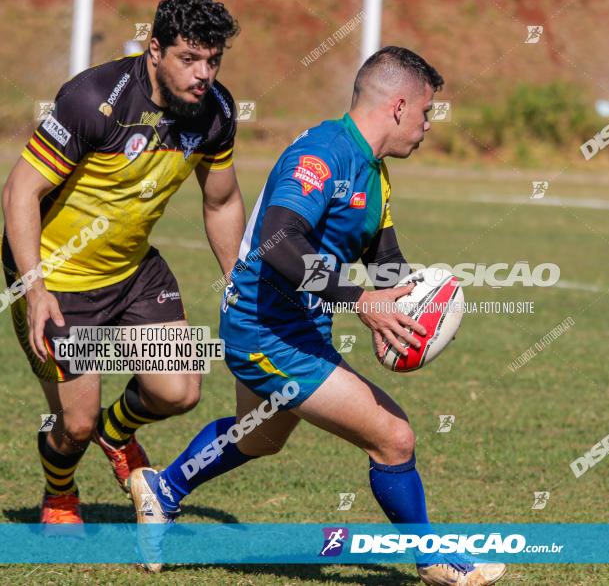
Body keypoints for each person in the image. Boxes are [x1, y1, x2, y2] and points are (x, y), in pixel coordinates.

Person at [130, 46, 507, 585]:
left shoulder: (374, 176)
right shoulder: (324, 155)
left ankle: (162, 490)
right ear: (398, 106)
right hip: (265, 329)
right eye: (425, 113)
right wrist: (359, 302)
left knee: (260, 435)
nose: (427, 127)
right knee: (394, 436)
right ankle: (435, 560)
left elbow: (385, 264)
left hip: (295, 328)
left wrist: (419, 300)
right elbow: (277, 243)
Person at [0, 0, 244, 525]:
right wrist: (35, 288)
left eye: (213, 60)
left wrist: (236, 279)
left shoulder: (216, 111)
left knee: (179, 390)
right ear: (154, 49)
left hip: (132, 271)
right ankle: (60, 494)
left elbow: (221, 200)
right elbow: (21, 190)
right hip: (57, 276)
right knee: (75, 423)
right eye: (189, 59)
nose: (203, 74)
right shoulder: (94, 99)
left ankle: (119, 432)